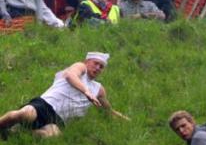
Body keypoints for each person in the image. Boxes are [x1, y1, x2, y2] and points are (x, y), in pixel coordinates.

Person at [0, 52, 129, 139]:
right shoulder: (80, 68)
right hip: (45, 105)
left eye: (101, 67)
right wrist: (86, 92)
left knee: (52, 136)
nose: (98, 68)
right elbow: (70, 75)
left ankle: (15, 133)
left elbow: (107, 110)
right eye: (95, 63)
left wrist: (125, 120)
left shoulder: (98, 89)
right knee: (26, 114)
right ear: (87, 62)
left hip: (58, 120)